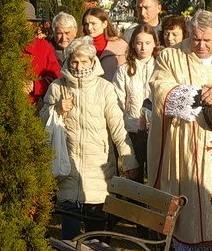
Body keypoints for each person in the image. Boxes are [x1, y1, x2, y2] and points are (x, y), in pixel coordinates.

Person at [149, 10, 212, 251]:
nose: (201, 45)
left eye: (208, 40)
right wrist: (196, 94)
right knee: (193, 197)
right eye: (196, 39)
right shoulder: (171, 55)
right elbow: (159, 87)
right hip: (187, 141)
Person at [41, 37, 139, 239]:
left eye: (84, 62)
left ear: (93, 61)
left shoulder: (104, 88)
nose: (79, 66)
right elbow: (42, 120)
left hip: (99, 167)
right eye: (75, 61)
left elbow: (118, 127)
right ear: (68, 61)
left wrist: (128, 159)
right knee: (70, 231)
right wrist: (57, 109)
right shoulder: (57, 87)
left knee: (97, 234)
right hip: (67, 165)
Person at [113, 25, 159, 181]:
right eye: (139, 43)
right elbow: (117, 103)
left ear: (154, 43)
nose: (143, 47)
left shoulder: (162, 68)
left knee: (156, 179)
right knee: (134, 179)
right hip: (132, 131)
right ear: (133, 44)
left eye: (147, 43)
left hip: (157, 131)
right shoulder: (124, 70)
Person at [24, 2, 61, 108]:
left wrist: (34, 85)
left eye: (26, 22)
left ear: (33, 24)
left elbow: (56, 78)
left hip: (35, 107)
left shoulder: (43, 47)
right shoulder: (2, 45)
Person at [82, 6, 127, 81]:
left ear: (104, 24)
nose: (89, 28)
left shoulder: (120, 46)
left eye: (93, 23)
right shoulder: (80, 46)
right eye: (86, 24)